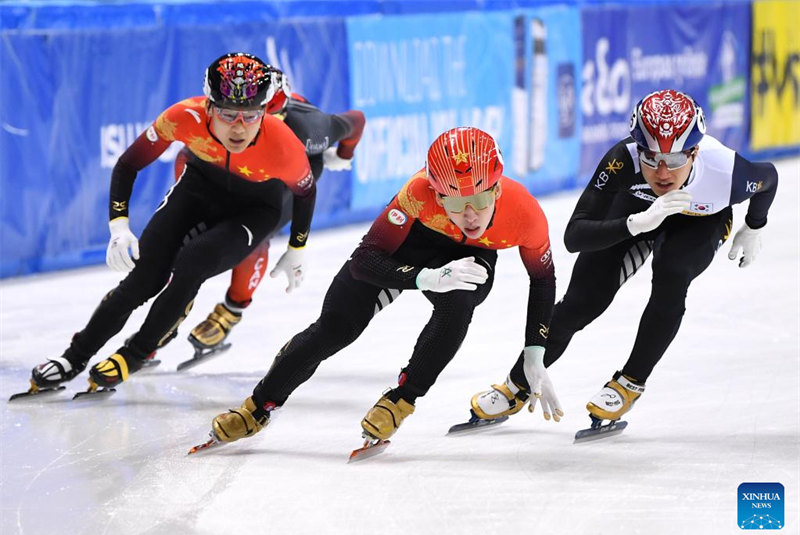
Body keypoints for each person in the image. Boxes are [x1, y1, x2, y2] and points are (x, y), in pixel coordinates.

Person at [201, 127, 561, 448]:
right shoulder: (418, 192)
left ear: (496, 189)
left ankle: (402, 398)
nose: (469, 215)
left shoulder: (525, 213)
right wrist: (423, 277)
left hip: (472, 256)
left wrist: (534, 353)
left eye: (480, 201)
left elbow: (542, 280)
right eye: (453, 202)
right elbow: (364, 260)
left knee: (460, 299)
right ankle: (258, 406)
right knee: (335, 329)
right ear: (436, 194)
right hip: (410, 248)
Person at [468, 89, 779, 427]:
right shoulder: (621, 161)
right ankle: (517, 385)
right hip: (636, 213)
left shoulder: (726, 173)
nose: (662, 172)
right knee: (580, 303)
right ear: (638, 150)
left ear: (695, 152)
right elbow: (574, 236)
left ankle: (630, 381)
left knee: (672, 273)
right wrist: (635, 223)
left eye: (675, 160)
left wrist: (754, 225)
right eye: (651, 158)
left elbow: (769, 179)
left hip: (700, 220)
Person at [24, 52, 314, 396]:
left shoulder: (284, 144)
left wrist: (297, 248)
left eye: (250, 116)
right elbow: (129, 163)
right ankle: (74, 356)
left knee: (194, 263)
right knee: (143, 277)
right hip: (199, 189)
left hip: (254, 209)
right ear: (208, 107)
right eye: (227, 113)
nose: (238, 126)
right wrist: (119, 225)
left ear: (264, 111)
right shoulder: (182, 116)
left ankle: (135, 353)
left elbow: (305, 194)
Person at [183, 78, 365, 355]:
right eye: (236, 116)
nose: (247, 130)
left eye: (262, 119)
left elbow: (357, 121)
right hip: (227, 165)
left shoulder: (310, 128)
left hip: (286, 173)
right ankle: (175, 310)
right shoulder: (215, 123)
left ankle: (231, 310)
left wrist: (343, 154)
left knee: (252, 236)